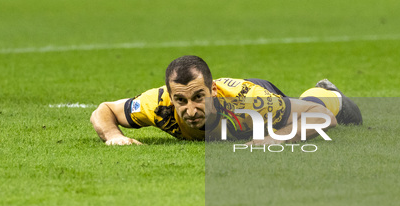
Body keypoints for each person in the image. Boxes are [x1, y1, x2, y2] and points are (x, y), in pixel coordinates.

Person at [90, 55, 362, 145]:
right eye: (181, 100)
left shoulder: (251, 103)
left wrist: (276, 138)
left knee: (341, 111)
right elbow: (104, 110)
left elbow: (322, 117)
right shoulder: (157, 104)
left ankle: (326, 90)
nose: (191, 110)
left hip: (256, 92)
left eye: (199, 97)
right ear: (171, 97)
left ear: (213, 92)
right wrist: (114, 136)